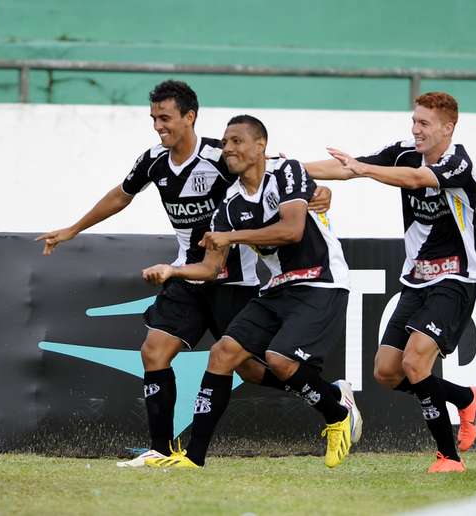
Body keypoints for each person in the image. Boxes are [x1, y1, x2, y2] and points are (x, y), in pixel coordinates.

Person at [35, 81, 339, 467]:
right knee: (154, 352)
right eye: (153, 119)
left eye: (165, 118)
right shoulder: (153, 160)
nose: (158, 126)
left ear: (189, 117)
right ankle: (161, 450)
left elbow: (276, 171)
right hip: (188, 274)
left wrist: (321, 190)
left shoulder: (221, 155)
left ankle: (328, 395)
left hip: (235, 280)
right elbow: (121, 194)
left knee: (249, 367)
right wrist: (72, 229)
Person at [141, 114, 358, 469]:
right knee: (222, 353)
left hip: (321, 281)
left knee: (279, 361)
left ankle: (336, 412)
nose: (228, 148)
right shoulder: (231, 204)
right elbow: (211, 267)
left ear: (261, 146)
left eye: (237, 141)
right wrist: (173, 271)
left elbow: (292, 231)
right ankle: (193, 459)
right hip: (277, 288)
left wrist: (232, 237)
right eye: (225, 142)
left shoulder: (286, 172)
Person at [305, 92, 476, 473]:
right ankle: (465, 398)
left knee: (416, 361)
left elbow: (417, 178)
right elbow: (348, 168)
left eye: (424, 123)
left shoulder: (458, 162)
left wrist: (364, 169)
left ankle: (449, 457)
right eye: (414, 121)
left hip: (455, 277)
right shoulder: (404, 151)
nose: (416, 129)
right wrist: (290, 169)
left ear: (448, 127)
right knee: (387, 372)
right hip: (415, 279)